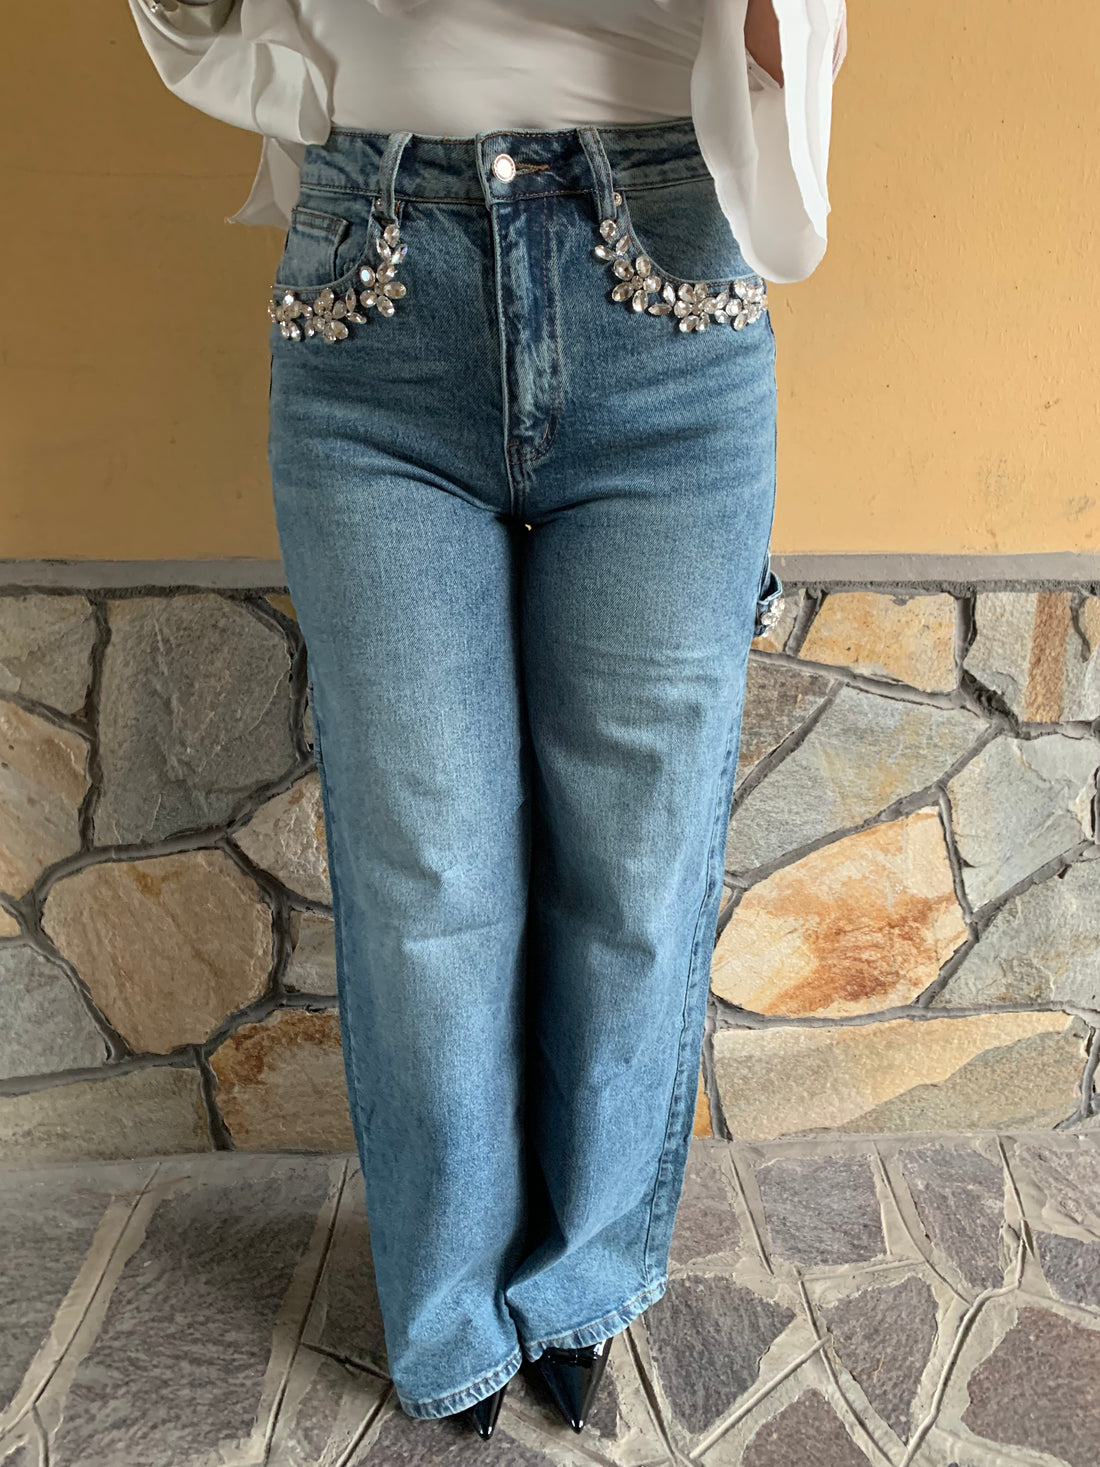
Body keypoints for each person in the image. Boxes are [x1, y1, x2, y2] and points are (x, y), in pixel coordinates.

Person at [128, 0, 847, 1441]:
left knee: (634, 867)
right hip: (375, 293)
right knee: (426, 875)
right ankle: (452, 1315)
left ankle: (581, 1282)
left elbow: (787, 49)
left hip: (666, 300)